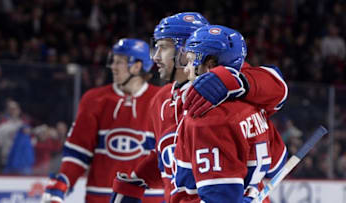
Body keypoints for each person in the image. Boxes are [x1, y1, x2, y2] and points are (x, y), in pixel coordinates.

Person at [111, 12, 287, 203]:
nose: (156, 57)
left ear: (184, 50)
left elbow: (276, 86)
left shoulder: (229, 92)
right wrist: (138, 179)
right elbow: (170, 155)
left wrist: (233, 80)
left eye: (163, 48)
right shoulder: (161, 100)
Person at [172, 25, 287, 203]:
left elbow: (219, 198)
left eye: (190, 60)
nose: (186, 69)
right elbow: (279, 160)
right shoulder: (254, 103)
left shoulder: (207, 119)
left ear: (209, 65)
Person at [41, 38, 164, 203]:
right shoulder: (94, 99)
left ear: (137, 66)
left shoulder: (162, 99)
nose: (113, 67)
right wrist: (63, 183)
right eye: (113, 61)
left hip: (150, 198)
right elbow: (78, 151)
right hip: (101, 196)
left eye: (119, 62)